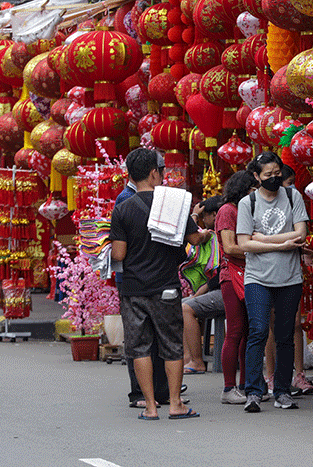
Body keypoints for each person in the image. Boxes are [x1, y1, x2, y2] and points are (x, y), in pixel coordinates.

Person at [110, 148, 209, 421]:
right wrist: (204, 235)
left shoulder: (122, 209)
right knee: (171, 345)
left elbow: (118, 254)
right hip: (165, 286)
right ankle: (175, 404)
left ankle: (150, 407)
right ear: (155, 173)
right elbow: (194, 239)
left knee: (139, 347)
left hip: (133, 290)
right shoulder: (174, 205)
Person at [238, 152, 308, 412]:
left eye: (277, 173)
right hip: (257, 278)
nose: (274, 178)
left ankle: (282, 391)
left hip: (289, 277)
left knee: (285, 335)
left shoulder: (293, 196)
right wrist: (284, 242)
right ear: (256, 177)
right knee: (257, 331)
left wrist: (264, 240)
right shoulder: (248, 203)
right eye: (267, 175)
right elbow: (244, 243)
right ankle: (254, 392)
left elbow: (301, 234)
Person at [115, 174, 172, 410]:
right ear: (153, 174)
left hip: (141, 280)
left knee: (152, 340)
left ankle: (159, 393)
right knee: (144, 340)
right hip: (143, 280)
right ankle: (141, 393)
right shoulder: (126, 200)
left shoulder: (153, 199)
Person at [263, 166, 313, 396]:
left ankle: (298, 373)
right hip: (267, 271)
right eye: (289, 181)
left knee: (294, 324)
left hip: (292, 268)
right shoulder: (262, 204)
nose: (292, 186)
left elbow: (301, 234)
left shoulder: (295, 201)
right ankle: (271, 375)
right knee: (272, 325)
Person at [216, 170, 258, 404]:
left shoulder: (242, 210)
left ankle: (244, 383)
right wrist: (260, 248)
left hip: (246, 272)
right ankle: (228, 387)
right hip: (232, 275)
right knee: (235, 331)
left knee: (248, 331)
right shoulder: (227, 211)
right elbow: (230, 247)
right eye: (252, 190)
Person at [182, 196, 224, 375]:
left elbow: (213, 280)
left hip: (224, 291)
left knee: (185, 308)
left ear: (213, 215)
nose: (202, 221)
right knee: (181, 304)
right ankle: (187, 357)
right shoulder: (214, 236)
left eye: (204, 216)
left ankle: (197, 361)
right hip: (217, 289)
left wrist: (196, 296)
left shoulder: (218, 237)